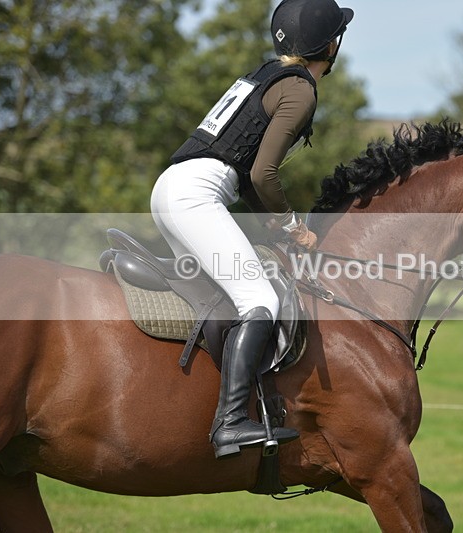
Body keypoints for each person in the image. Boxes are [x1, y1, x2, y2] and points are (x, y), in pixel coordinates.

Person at [150, 0, 354, 459]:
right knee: (258, 299)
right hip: (195, 195)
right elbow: (263, 175)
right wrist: (291, 225)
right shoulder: (300, 89)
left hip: (172, 188)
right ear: (330, 45)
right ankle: (231, 423)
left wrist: (274, 226)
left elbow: (246, 177)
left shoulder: (263, 75)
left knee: (228, 291)